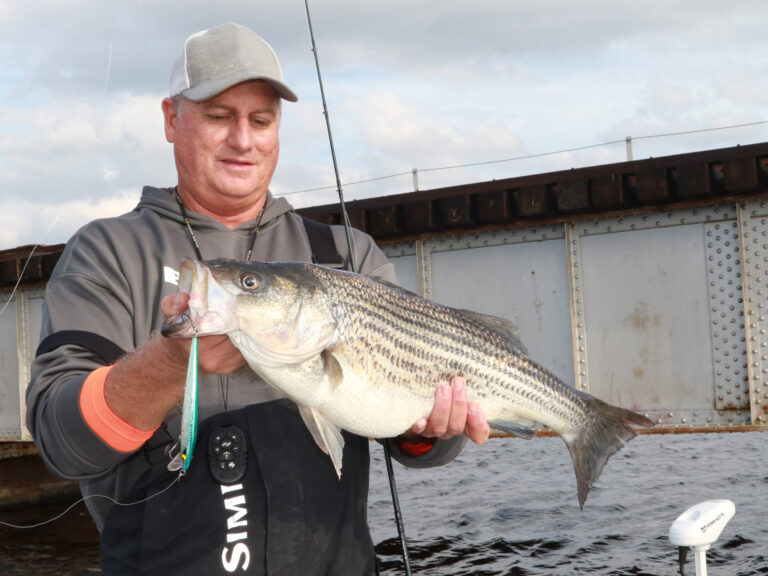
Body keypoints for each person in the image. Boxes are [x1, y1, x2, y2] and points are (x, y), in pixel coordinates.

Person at [26, 22, 489, 576]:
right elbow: (63, 444)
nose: (243, 140)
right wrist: (172, 364)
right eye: (220, 116)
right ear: (172, 119)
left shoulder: (346, 254)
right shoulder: (106, 252)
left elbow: (417, 441)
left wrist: (427, 431)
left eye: (261, 120)